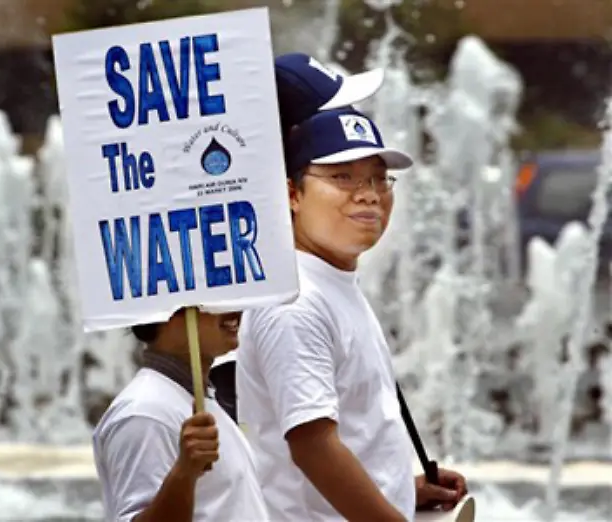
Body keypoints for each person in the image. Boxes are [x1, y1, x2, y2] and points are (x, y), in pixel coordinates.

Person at [235, 106, 469, 521]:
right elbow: (313, 447)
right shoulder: (295, 301)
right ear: (292, 194)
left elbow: (350, 431)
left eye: (379, 178)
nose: (369, 193)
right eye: (342, 176)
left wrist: (400, 490)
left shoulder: (332, 280)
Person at [209, 51, 386, 422]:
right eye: (341, 173)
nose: (348, 119)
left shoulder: (326, 266)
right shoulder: (278, 289)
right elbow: (296, 450)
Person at [93, 308, 268, 522]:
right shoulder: (144, 413)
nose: (234, 309)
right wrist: (185, 472)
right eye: (211, 297)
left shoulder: (196, 399)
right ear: (166, 312)